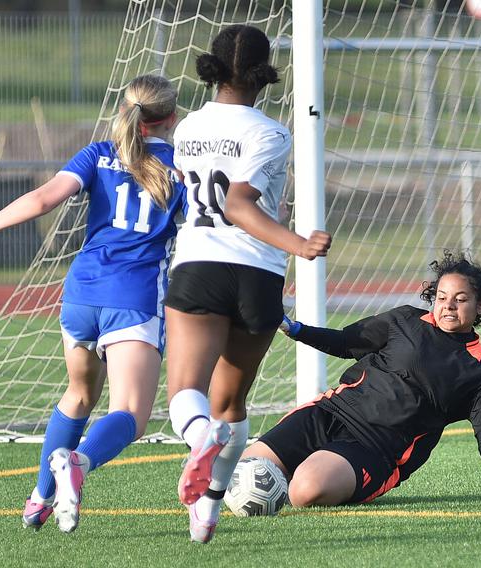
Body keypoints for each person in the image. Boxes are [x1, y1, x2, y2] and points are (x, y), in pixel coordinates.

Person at [0, 74, 185, 533]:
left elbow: (42, 199)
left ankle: (40, 495)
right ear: (172, 119)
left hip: (80, 293)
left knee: (79, 394)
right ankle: (75, 464)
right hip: (133, 299)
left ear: (124, 112)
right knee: (129, 414)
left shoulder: (98, 154)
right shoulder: (181, 169)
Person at [163, 24, 332, 543]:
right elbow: (241, 203)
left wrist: (297, 243)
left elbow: (230, 204)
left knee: (184, 394)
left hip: (199, 264)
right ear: (265, 73)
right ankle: (210, 507)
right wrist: (297, 245)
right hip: (257, 276)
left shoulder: (188, 127)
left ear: (212, 67)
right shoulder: (273, 133)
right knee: (231, 403)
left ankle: (200, 440)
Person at [241, 251, 481, 509]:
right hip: (329, 414)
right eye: (442, 296)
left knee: (304, 492)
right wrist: (295, 329)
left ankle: (305, 470)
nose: (448, 305)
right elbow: (345, 342)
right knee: (241, 472)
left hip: (376, 450)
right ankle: (296, 464)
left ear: (480, 307)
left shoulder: (480, 371)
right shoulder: (404, 320)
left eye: (460, 299)